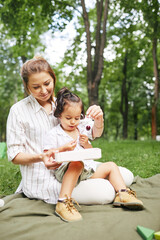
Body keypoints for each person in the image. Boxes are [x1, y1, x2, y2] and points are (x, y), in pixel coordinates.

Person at [7, 56, 134, 213]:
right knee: (106, 192)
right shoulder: (18, 111)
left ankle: (115, 190)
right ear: (27, 87)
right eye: (36, 87)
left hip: (77, 167)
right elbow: (14, 155)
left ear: (53, 79)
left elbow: (92, 132)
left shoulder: (62, 104)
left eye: (47, 83)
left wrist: (99, 118)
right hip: (45, 178)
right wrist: (41, 157)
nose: (44, 90)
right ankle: (67, 199)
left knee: (127, 176)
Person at [43, 87, 143, 222]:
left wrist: (89, 141)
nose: (73, 122)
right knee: (76, 163)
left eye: (77, 118)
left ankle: (122, 194)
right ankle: (62, 203)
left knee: (111, 166)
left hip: (87, 169)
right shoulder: (54, 134)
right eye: (68, 118)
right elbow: (47, 155)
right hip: (66, 170)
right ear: (59, 115)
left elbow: (97, 132)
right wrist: (63, 149)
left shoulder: (82, 128)